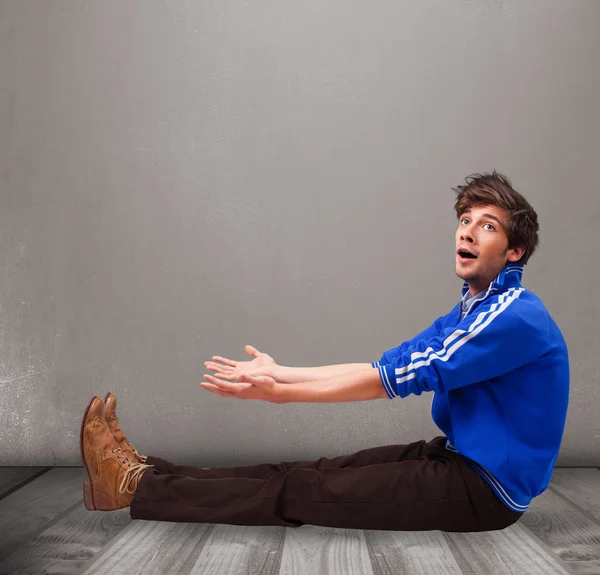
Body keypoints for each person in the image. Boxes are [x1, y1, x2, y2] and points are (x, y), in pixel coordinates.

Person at [80, 171, 569, 532]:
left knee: (301, 492)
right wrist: (281, 374)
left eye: (487, 226)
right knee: (306, 471)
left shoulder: (512, 317)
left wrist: (284, 396)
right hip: (457, 459)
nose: (466, 231)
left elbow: (391, 383)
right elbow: (386, 365)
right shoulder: (472, 310)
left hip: (484, 492)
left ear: (515, 251)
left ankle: (132, 488)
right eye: (465, 220)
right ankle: (147, 472)